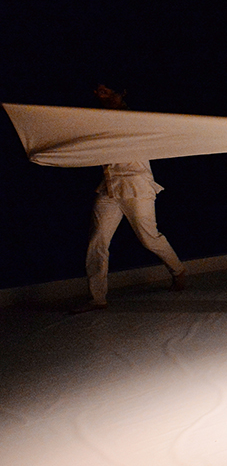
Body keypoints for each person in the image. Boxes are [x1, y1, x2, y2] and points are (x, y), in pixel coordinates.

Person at [72, 85, 188, 313]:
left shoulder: (133, 117)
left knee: (149, 238)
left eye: (105, 90)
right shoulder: (98, 119)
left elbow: (135, 125)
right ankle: (97, 297)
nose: (99, 94)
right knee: (97, 241)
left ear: (120, 92)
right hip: (109, 187)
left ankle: (178, 270)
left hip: (136, 185)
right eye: (97, 91)